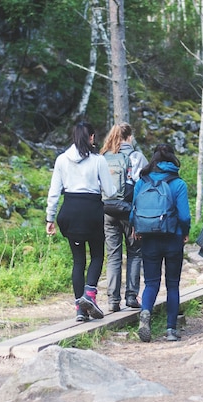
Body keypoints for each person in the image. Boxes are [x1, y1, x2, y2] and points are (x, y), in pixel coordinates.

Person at [46, 121, 115, 322]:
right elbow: (110, 192)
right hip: (91, 212)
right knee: (96, 255)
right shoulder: (98, 160)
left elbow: (54, 192)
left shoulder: (61, 160)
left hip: (69, 212)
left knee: (78, 260)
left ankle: (80, 310)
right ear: (91, 138)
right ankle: (90, 295)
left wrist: (50, 218)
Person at [132, 144, 191, 342]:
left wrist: (137, 229)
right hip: (173, 237)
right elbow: (184, 215)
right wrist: (185, 232)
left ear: (153, 159)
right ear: (173, 159)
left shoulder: (143, 181)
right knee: (172, 284)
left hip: (148, 237)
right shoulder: (178, 183)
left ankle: (146, 312)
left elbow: (134, 211)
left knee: (151, 283)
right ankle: (170, 330)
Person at [100, 122, 149, 312]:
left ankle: (112, 301)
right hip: (129, 211)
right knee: (135, 253)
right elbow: (143, 188)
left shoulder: (103, 157)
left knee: (113, 256)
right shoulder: (136, 157)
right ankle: (131, 296)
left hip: (108, 210)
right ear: (129, 137)